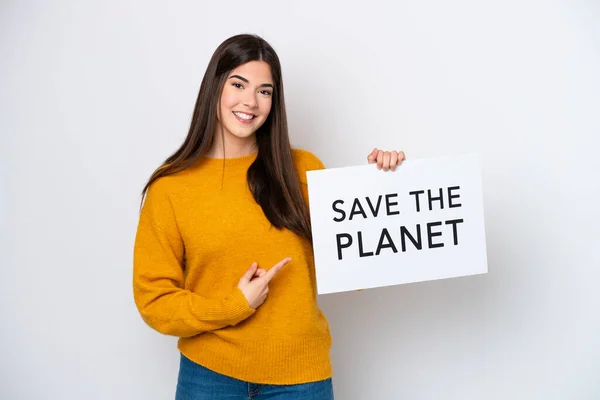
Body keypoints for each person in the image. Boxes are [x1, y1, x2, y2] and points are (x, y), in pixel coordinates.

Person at [133, 33, 405, 400]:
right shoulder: (172, 186)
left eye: (265, 91)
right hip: (209, 376)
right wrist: (234, 306)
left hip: (301, 379)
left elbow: (353, 270)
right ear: (215, 87)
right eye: (239, 84)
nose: (251, 101)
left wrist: (382, 191)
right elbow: (154, 300)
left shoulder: (303, 170)